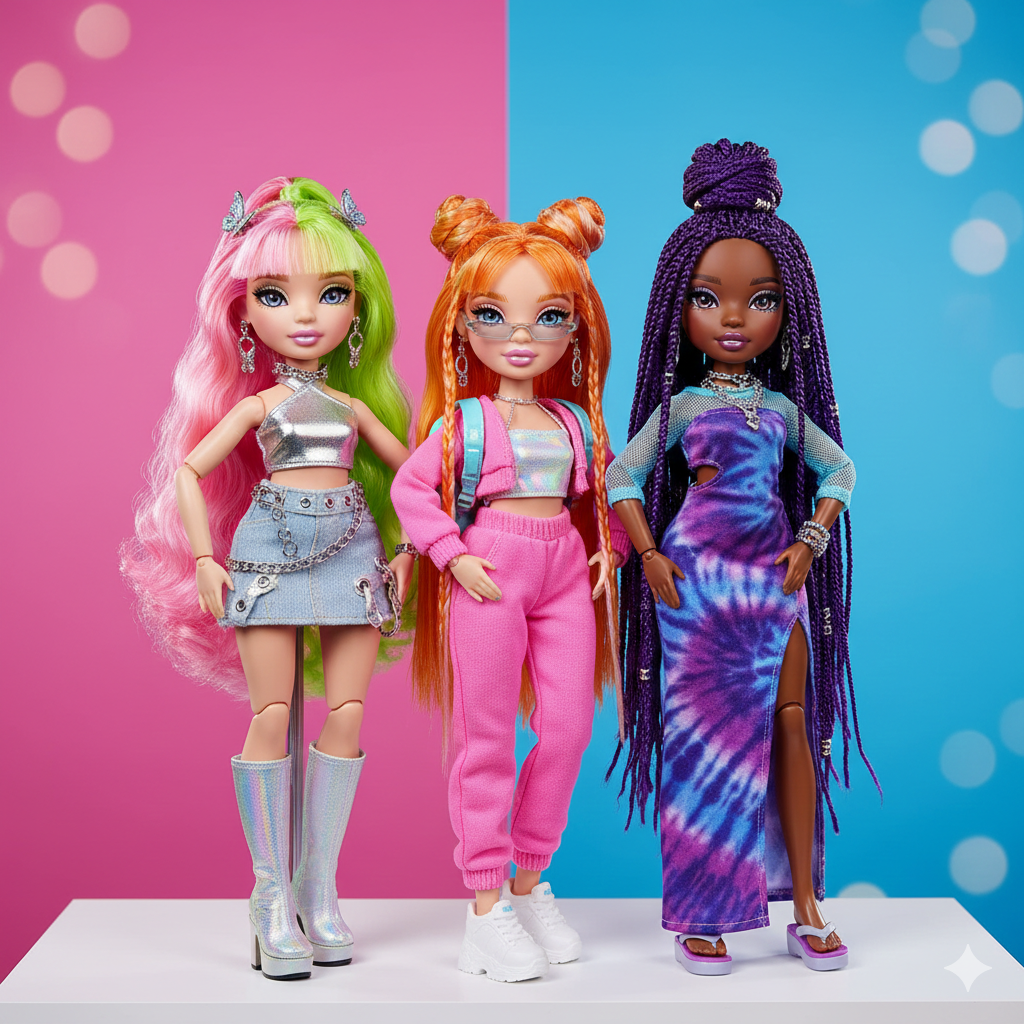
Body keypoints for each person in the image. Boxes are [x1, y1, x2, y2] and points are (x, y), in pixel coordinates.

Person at [122, 177, 413, 980]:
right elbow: (189, 470)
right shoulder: (259, 407)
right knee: (273, 711)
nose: (306, 315)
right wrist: (204, 558)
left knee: (347, 713)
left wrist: (408, 551)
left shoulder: (353, 410)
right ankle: (268, 896)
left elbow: (417, 477)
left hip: (353, 550)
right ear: (245, 314)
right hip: (268, 552)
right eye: (276, 295)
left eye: (332, 294)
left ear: (358, 310)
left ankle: (318, 889)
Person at [607, 140, 876, 975]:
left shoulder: (785, 411)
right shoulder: (683, 408)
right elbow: (621, 475)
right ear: (677, 308)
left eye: (761, 300)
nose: (733, 318)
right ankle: (704, 912)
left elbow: (841, 470)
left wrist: (812, 537)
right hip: (693, 586)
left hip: (772, 580)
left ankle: (805, 902)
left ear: (789, 310)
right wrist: (648, 555)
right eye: (708, 298)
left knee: (792, 725)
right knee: (703, 743)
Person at [391, 195, 628, 982]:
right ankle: (485, 905)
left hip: (564, 565)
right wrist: (451, 554)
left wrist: (613, 547)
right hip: (490, 566)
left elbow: (610, 491)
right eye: (494, 316)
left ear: (575, 328)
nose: (521, 337)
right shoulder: (463, 425)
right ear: (463, 325)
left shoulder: (574, 423)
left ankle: (529, 880)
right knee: (486, 735)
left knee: (567, 728)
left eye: (548, 317)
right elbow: (411, 492)